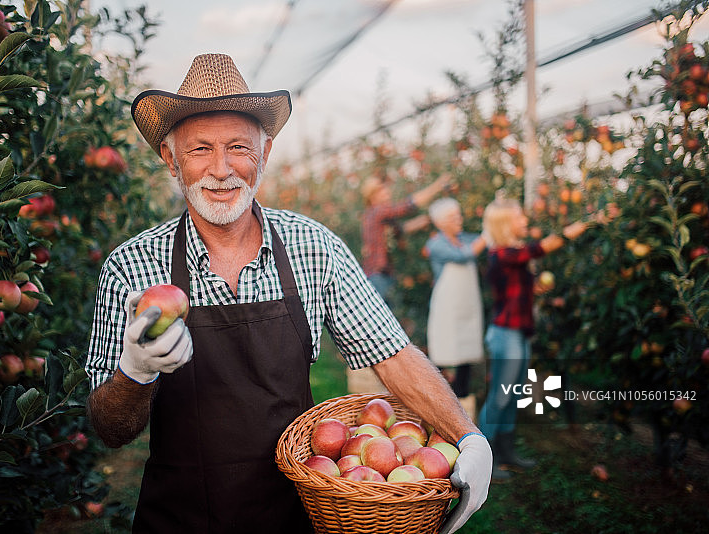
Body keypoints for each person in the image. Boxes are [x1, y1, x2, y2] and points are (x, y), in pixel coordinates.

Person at [84, 53, 491, 534]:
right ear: (171, 160)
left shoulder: (314, 248)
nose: (221, 169)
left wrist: (468, 437)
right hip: (181, 517)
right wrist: (136, 370)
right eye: (200, 150)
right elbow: (111, 431)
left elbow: (393, 354)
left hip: (296, 513)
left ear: (266, 152)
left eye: (238, 146)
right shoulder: (132, 267)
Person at [477, 195, 587, 480]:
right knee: (500, 397)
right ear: (505, 223)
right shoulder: (500, 253)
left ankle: (506, 452)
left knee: (512, 395)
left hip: (518, 333)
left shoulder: (511, 253)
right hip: (505, 334)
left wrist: (532, 289)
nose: (525, 221)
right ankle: (482, 460)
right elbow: (538, 249)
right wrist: (572, 230)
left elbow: (514, 284)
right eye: (520, 216)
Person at [425, 198, 488, 421]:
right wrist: (489, 231)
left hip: (467, 306)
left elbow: (477, 245)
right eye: (454, 217)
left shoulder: (463, 239)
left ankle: (463, 405)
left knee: (466, 353)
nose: (459, 220)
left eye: (459, 215)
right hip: (448, 307)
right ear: (441, 222)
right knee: (444, 350)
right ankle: (437, 405)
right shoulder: (437, 244)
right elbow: (465, 255)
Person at [361, 172, 449, 304]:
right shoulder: (377, 211)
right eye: (382, 190)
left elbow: (401, 228)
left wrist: (432, 219)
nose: (387, 192)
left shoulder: (375, 216)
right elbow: (408, 205)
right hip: (378, 275)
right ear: (372, 196)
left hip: (381, 274)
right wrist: (437, 186)